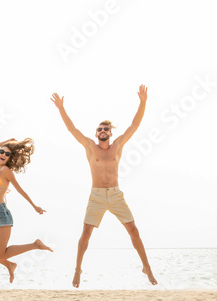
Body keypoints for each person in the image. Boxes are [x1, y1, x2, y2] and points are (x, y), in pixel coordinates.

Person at [50, 85, 157, 288]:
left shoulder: (118, 145)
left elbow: (134, 125)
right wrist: (61, 108)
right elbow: (72, 129)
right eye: (99, 129)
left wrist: (143, 102)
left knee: (133, 230)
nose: (102, 131)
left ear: (110, 132)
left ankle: (146, 267)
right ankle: (77, 269)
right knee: (86, 233)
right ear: (96, 133)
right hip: (97, 196)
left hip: (116, 195)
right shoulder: (90, 147)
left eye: (105, 129)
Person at [0, 138, 53, 283]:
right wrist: (6, 141)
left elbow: (19, 189)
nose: (3, 154)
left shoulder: (5, 171)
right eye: (2, 152)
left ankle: (35, 245)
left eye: (7, 154)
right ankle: (10, 265)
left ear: (11, 158)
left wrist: (35, 206)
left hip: (2, 215)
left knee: (2, 253)